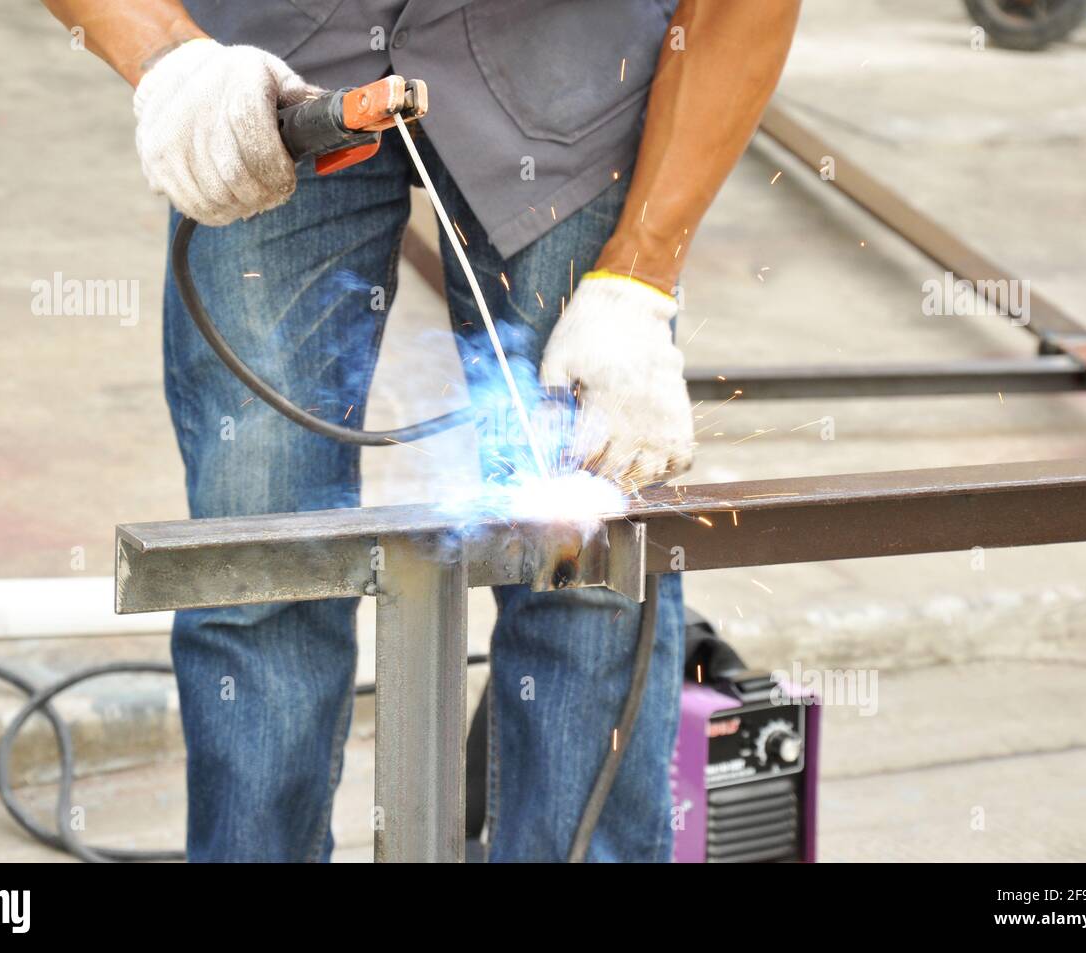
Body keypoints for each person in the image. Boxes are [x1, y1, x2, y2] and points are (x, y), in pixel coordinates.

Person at [41, 0, 799, 862]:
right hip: (272, 69)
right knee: (256, 561)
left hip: (569, 75)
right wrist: (170, 58)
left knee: (592, 564)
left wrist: (641, 273)